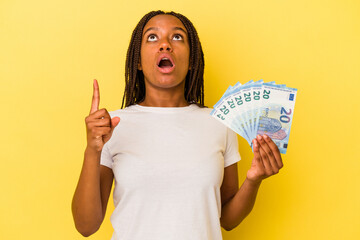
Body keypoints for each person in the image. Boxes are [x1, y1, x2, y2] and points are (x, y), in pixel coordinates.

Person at [71, 10, 283, 240]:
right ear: (138, 61)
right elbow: (86, 226)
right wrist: (92, 150)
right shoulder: (112, 126)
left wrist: (253, 180)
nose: (165, 45)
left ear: (192, 61)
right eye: (152, 37)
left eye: (177, 37)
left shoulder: (220, 123)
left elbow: (227, 220)